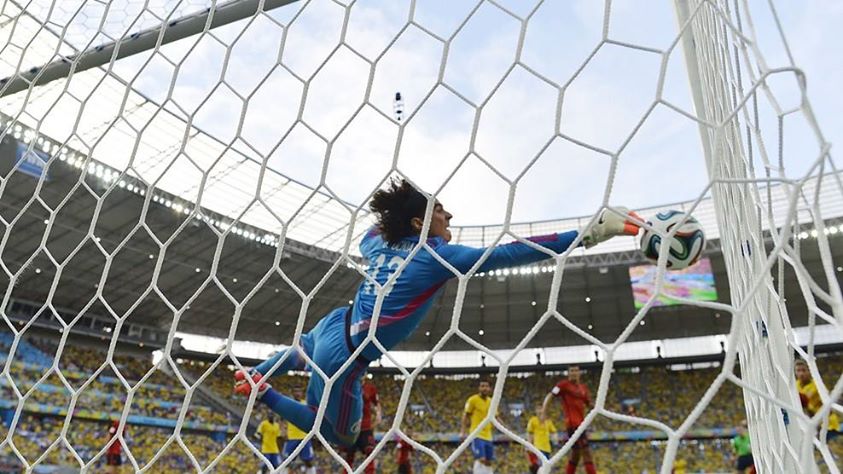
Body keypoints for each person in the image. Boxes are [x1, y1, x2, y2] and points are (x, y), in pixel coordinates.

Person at [234, 179, 640, 447]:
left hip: (331, 326)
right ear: (421, 222)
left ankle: (258, 373)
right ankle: (263, 390)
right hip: (349, 355)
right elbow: (509, 252)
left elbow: (371, 234)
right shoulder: (436, 256)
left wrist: (401, 217)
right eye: (442, 212)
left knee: (299, 350)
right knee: (339, 435)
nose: (450, 218)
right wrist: (587, 233)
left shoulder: (377, 246)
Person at [541, 366, 596, 474]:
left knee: (576, 454)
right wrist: (544, 412)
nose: (574, 373)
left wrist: (600, 408)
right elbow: (550, 395)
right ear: (568, 373)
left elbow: (589, 404)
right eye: (571, 371)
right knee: (586, 452)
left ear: (580, 373)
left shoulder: (583, 388)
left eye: (576, 371)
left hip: (582, 425)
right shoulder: (563, 385)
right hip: (573, 425)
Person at [341, 377, 381, 473]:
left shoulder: (370, 388)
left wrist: (379, 415)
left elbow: (376, 403)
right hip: (352, 427)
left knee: (370, 452)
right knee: (349, 455)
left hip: (366, 427)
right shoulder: (348, 386)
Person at [795, 359, 840, 436]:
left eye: (804, 370)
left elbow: (805, 401)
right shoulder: (795, 385)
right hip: (810, 424)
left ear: (809, 371)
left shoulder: (818, 386)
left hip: (827, 425)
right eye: (798, 370)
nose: (801, 373)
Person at [461, 379, 496, 473]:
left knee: (489, 461)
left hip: (488, 436)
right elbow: (466, 415)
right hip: (477, 434)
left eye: (486, 386)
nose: (484, 388)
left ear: (490, 388)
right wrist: (463, 431)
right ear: (479, 388)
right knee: (481, 458)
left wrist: (506, 429)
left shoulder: (491, 402)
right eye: (482, 386)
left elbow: (496, 417)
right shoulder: (472, 400)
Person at [280, 388, 316, 474]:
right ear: (292, 393)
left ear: (302, 393)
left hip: (305, 437)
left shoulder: (306, 404)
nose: (297, 393)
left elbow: (313, 418)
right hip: (292, 437)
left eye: (299, 391)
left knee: (309, 461)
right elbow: (281, 419)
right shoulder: (289, 404)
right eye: (295, 391)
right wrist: (282, 431)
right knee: (286, 461)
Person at [526, 403, 557, 474]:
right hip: (538, 448)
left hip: (547, 449)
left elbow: (554, 432)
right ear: (536, 411)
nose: (540, 411)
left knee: (546, 469)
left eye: (541, 409)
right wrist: (529, 445)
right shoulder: (533, 420)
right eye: (538, 409)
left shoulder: (548, 422)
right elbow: (529, 433)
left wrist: (555, 439)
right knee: (540, 469)